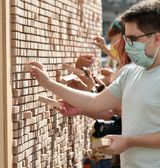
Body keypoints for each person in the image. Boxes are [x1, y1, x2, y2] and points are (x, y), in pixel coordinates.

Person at [28, 0, 160, 167]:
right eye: (126, 39)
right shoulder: (130, 72)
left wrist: (129, 141)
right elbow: (95, 102)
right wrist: (47, 83)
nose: (127, 46)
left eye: (133, 39)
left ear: (156, 38)